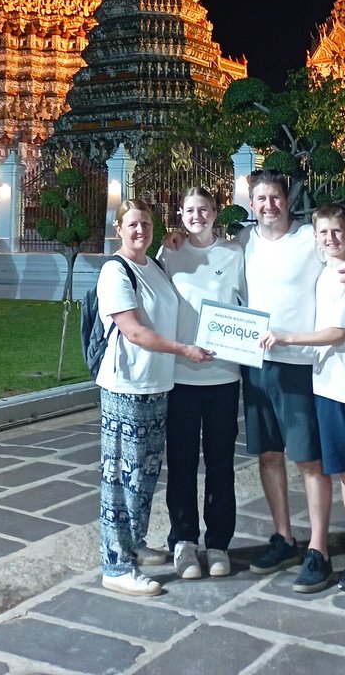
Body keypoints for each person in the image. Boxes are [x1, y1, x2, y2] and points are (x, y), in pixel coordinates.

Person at [236, 169, 345, 593]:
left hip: (299, 364)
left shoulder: (309, 241)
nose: (268, 206)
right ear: (251, 202)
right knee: (268, 454)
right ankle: (284, 537)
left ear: (287, 199)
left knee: (309, 460)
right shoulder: (244, 242)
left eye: (275, 198)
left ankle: (319, 548)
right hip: (257, 362)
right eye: (260, 199)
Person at [261, 203, 345, 612]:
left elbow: (337, 334)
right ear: (315, 237)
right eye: (323, 233)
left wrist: (286, 338)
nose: (330, 239)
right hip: (329, 389)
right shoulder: (323, 271)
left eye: (337, 231)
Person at [96, 198, 215, 597]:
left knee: (145, 472)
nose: (139, 230)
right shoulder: (116, 271)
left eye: (145, 223)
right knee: (120, 475)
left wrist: (176, 237)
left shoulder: (155, 265)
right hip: (126, 385)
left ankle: (134, 543)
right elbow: (134, 332)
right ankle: (116, 564)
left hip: (157, 384)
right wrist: (185, 351)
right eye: (132, 224)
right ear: (119, 229)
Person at [156, 187, 246, 580]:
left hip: (223, 375)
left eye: (204, 209)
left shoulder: (233, 253)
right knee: (181, 463)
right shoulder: (170, 253)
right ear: (181, 213)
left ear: (216, 213)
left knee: (221, 463)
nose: (197, 216)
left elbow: (249, 305)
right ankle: (184, 540)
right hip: (179, 375)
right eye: (190, 210)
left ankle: (219, 543)